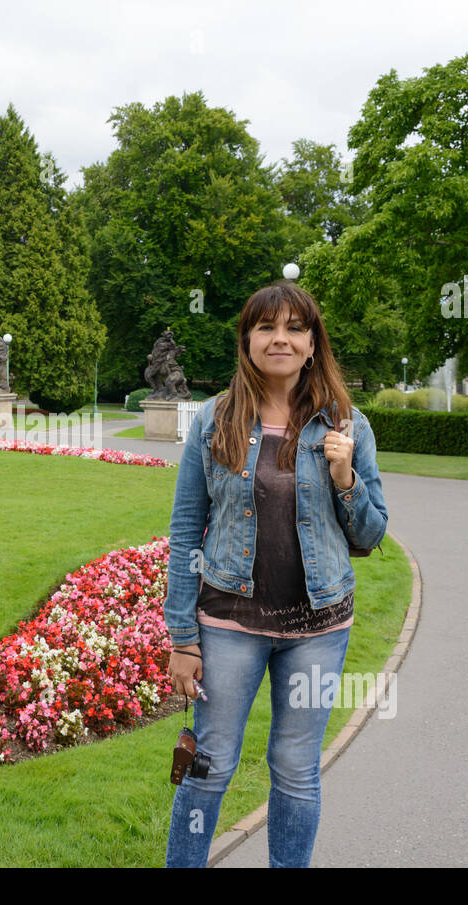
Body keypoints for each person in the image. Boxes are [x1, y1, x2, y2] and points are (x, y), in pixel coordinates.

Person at [163, 277, 389, 867]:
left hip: (317, 628)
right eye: (266, 327)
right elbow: (187, 531)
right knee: (209, 766)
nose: (280, 339)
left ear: (313, 343)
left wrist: (346, 481)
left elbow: (370, 533)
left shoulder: (348, 426)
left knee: (295, 769)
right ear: (247, 341)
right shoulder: (214, 421)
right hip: (229, 624)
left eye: (295, 327)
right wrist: (183, 638)